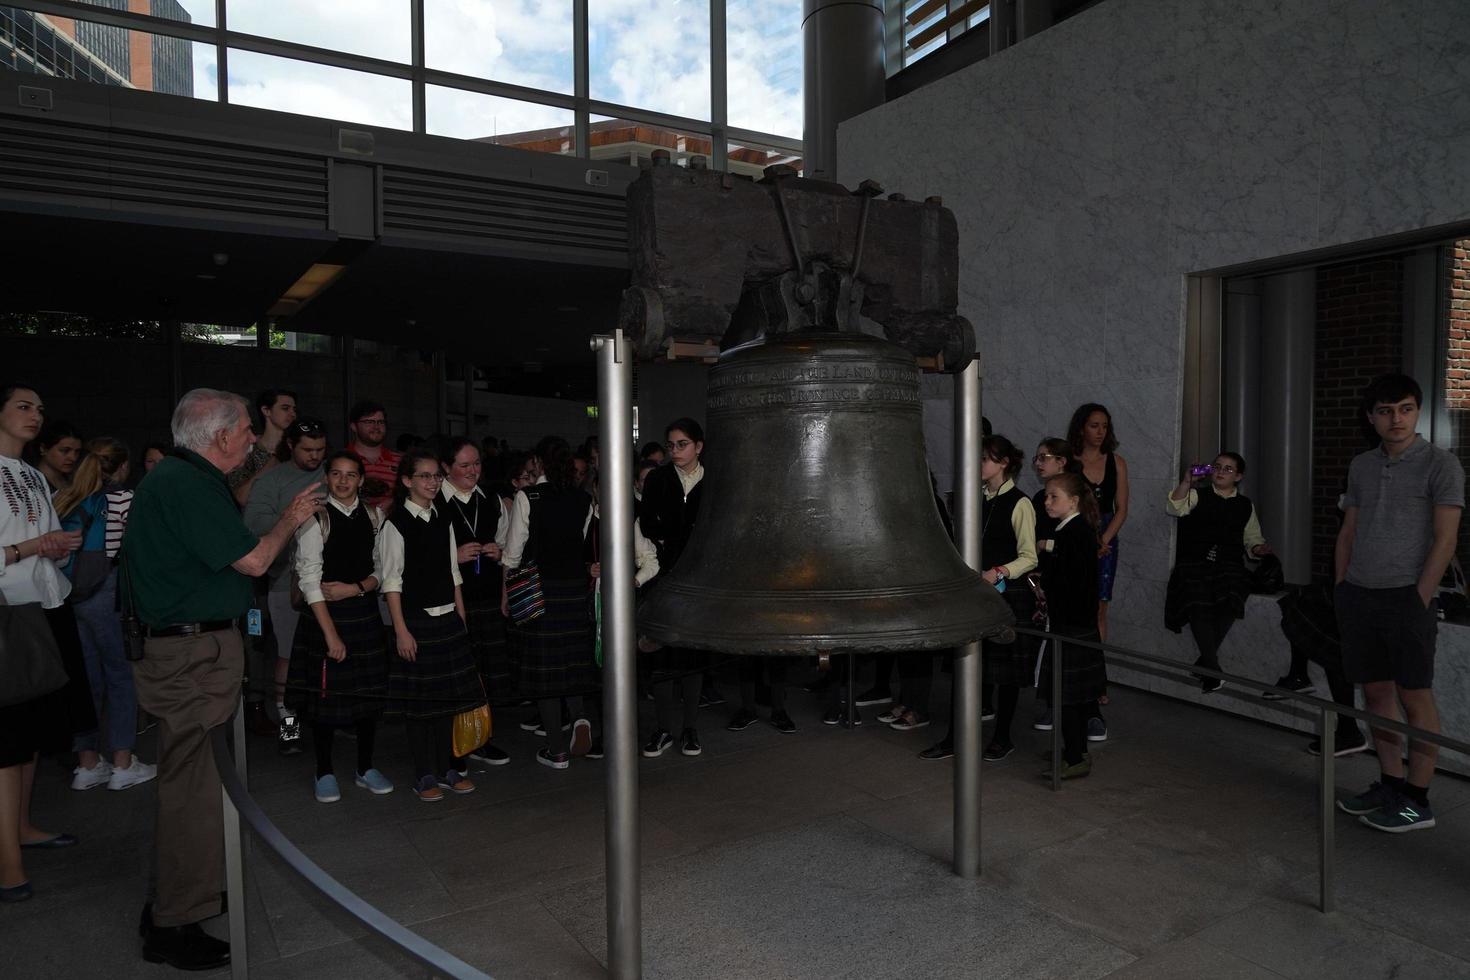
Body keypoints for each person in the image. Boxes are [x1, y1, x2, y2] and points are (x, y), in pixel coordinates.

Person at [124, 387, 321, 969]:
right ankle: (175, 921)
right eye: (245, 432)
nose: (251, 441)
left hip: (191, 647)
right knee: (193, 789)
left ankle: (177, 896)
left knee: (196, 782)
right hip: (188, 655)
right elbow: (255, 561)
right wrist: (290, 518)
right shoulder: (185, 484)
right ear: (220, 436)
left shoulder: (186, 480)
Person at [1334, 374, 1463, 834]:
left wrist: (1419, 598)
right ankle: (1390, 783)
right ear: (1372, 418)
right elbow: (1348, 531)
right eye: (1386, 411)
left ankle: (1417, 800)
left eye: (1406, 409)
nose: (1397, 419)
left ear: (1417, 412)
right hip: (1360, 597)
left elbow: (1446, 540)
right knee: (1376, 695)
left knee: (1415, 696)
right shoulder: (1361, 465)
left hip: (1407, 598)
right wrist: (1342, 587)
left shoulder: (1440, 465)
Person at [0, 382, 90, 906]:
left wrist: (57, 547)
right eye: (24, 406)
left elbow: (45, 548)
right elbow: (21, 547)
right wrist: (36, 546)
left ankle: (22, 826)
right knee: (7, 745)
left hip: (46, 607)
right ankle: (6, 859)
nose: (36, 415)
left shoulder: (33, 475)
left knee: (32, 733)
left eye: (40, 407)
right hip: (8, 615)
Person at [284, 449, 393, 803]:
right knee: (325, 702)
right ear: (326, 478)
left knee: (368, 698)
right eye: (336, 474)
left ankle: (365, 767)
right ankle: (324, 770)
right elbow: (309, 579)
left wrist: (357, 587)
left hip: (364, 616)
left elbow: (382, 571)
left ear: (361, 479)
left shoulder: (375, 516)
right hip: (324, 619)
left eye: (351, 475)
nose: (343, 481)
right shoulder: (316, 518)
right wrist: (330, 634)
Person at [381, 448, 485, 801]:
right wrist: (401, 630)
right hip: (415, 621)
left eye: (436, 476)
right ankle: (424, 773)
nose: (432, 482)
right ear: (407, 481)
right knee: (419, 705)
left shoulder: (443, 517)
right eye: (424, 476)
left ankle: (448, 768)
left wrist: (461, 614)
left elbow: (453, 572)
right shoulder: (395, 523)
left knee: (449, 701)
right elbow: (391, 581)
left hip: (448, 621)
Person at [53, 437, 156, 791]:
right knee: (121, 677)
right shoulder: (124, 500)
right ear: (124, 466)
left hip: (70, 597)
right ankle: (123, 763)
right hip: (108, 595)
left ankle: (87, 764)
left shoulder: (66, 498)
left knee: (86, 680)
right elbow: (140, 548)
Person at [503, 437, 598, 770]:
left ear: (539, 464)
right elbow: (584, 544)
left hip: (539, 590)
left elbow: (513, 554)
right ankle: (581, 717)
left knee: (545, 674)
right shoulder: (584, 499)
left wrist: (506, 591)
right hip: (573, 589)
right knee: (571, 663)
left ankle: (557, 749)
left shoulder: (528, 497)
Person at [242, 418, 327, 755]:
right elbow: (252, 528)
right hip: (284, 582)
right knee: (287, 657)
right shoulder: (272, 481)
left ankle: (332, 722)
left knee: (330, 655)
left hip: (331, 582)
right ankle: (289, 728)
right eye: (308, 450)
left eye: (321, 450)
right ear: (290, 445)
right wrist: (293, 515)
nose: (315, 457)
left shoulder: (334, 474)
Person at [1164, 453, 1273, 694]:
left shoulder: (1245, 505)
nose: (1221, 472)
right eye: (1217, 467)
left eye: (1228, 469)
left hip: (1228, 564)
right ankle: (1212, 670)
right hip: (1194, 562)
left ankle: (1206, 665)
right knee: (1197, 599)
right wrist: (1186, 482)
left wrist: (1258, 548)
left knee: (1234, 593)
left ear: (1239, 476)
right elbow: (1174, 507)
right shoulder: (1197, 495)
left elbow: (1252, 538)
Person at [638, 418, 708, 758]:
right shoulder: (659, 479)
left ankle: (690, 727)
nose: (676, 451)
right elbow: (649, 523)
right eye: (671, 445)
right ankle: (664, 728)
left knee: (691, 657)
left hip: (698, 580)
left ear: (699, 446)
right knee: (661, 656)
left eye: (682, 444)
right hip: (664, 576)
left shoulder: (712, 480)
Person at [439, 437, 510, 767]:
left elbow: (511, 546)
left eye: (476, 463)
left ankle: (483, 737)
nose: (472, 471)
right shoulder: (436, 501)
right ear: (446, 468)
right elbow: (416, 555)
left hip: (489, 595)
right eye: (464, 465)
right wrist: (452, 556)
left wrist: (499, 551)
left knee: (491, 670)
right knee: (459, 672)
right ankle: (455, 744)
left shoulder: (491, 498)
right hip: (453, 599)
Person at [1036, 472, 1105, 781]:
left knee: (1069, 698)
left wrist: (1047, 557)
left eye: (1054, 497)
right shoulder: (1070, 530)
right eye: (1047, 496)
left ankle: (1076, 756)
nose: (1047, 502)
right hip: (1071, 624)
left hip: (1072, 626)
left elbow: (1070, 581)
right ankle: (1073, 749)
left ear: (1074, 501)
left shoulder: (1075, 533)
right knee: (1069, 697)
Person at [976, 436, 1039, 761]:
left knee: (1007, 675)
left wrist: (1000, 570)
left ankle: (1002, 736)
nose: (978, 463)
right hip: (979, 593)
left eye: (985, 458)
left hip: (1009, 593)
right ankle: (957, 736)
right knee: (975, 667)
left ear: (1003, 463)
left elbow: (1030, 557)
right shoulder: (979, 498)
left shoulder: (1020, 502)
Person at [1068, 404, 1128, 642]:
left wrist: (1102, 540)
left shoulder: (1117, 462)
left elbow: (1121, 510)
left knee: (1100, 606)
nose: (1100, 431)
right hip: (1076, 531)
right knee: (1075, 601)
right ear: (1081, 428)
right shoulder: (1070, 462)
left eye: (1105, 426)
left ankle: (1097, 665)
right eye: (1094, 426)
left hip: (1106, 536)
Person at [1030, 438, 1076, 735]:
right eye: (1037, 457)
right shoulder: (1036, 498)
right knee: (1050, 644)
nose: (1038, 462)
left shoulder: (1077, 496)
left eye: (1044, 457)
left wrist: (1047, 544)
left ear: (1062, 462)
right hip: (1048, 580)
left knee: (1071, 647)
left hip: (1071, 586)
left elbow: (1079, 540)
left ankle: (1081, 711)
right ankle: (1051, 703)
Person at [229, 388, 296, 505]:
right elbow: (240, 497)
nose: (293, 414)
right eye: (285, 408)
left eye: (294, 409)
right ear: (266, 411)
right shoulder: (247, 449)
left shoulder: (297, 450)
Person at [346, 400, 402, 513]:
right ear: (354, 426)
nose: (376, 426)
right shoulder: (341, 460)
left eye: (381, 422)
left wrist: (394, 502)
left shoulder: (400, 461)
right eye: (369, 422)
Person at [34, 418, 82, 494]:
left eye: (77, 452)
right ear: (43, 449)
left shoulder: (76, 482)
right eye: (65, 450)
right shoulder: (30, 482)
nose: (73, 458)